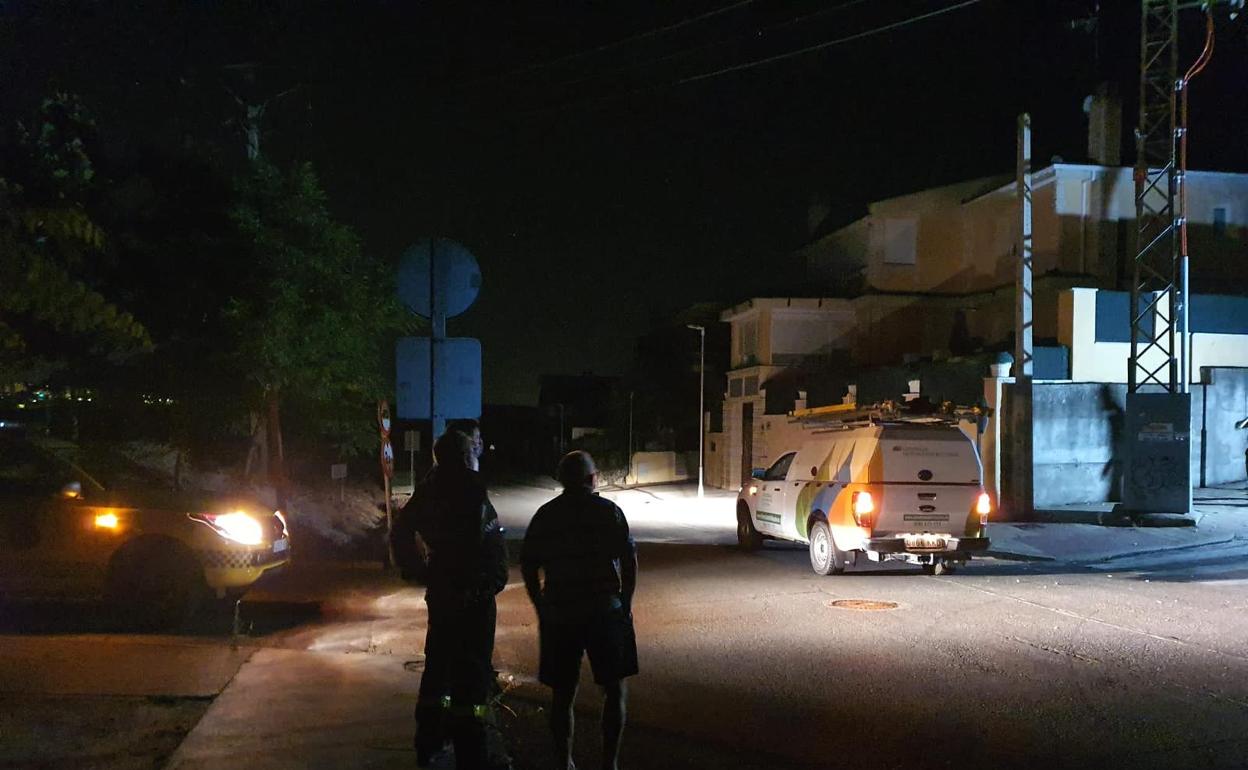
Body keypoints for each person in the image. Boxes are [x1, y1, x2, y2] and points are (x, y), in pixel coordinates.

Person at [391, 429, 509, 769]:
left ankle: (430, 743)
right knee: (471, 679)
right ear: (462, 455)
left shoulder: (429, 489)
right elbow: (483, 545)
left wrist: (419, 570)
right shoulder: (469, 488)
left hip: (443, 592)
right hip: (473, 597)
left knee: (438, 671)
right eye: (472, 449)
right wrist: (485, 582)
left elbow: (400, 530)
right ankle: (471, 752)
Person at [521, 451, 638, 770]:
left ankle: (563, 761)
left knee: (562, 694)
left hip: (560, 613)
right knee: (614, 690)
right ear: (592, 479)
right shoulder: (609, 512)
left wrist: (540, 604)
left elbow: (528, 564)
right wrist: (625, 604)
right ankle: (609, 763)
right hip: (604, 610)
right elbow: (629, 562)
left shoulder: (546, 515)